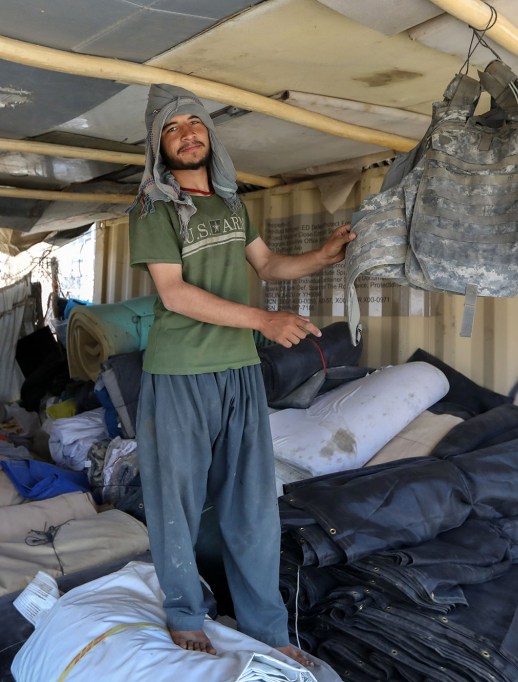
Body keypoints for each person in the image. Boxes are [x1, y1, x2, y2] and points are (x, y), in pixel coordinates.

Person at [128, 83, 354, 666]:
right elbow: (173, 294)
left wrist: (320, 257)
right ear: (158, 143)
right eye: (172, 127)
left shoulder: (232, 203)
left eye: (194, 124)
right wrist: (263, 319)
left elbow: (269, 264)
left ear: (209, 134)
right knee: (175, 501)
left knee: (253, 505)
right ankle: (184, 611)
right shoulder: (153, 208)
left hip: (239, 372)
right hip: (179, 374)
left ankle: (266, 626)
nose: (187, 134)